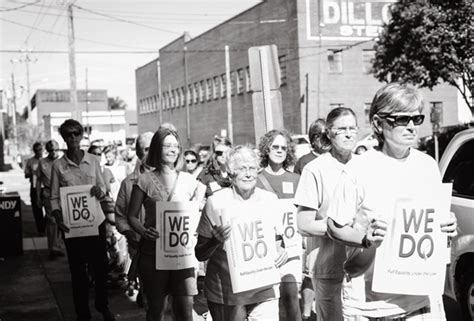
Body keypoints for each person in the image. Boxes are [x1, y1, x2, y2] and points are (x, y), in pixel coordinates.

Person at [327, 83, 457, 320]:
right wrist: (365, 239)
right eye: (401, 119)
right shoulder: (358, 169)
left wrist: (447, 224)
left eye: (416, 119)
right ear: (378, 123)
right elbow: (334, 226)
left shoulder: (427, 165)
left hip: (420, 300)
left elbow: (431, 220)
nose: (410, 126)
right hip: (370, 305)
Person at [195, 145, 287, 321]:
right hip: (227, 291)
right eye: (242, 168)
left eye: (252, 168)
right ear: (230, 172)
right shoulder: (216, 203)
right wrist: (215, 240)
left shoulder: (270, 200)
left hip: (264, 288)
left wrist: (281, 251)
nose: (248, 174)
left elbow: (278, 240)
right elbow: (200, 253)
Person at [128, 127, 198, 321]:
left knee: (185, 310)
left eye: (176, 146)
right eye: (167, 145)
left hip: (182, 256)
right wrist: (143, 231)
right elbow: (131, 216)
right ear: (158, 148)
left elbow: (199, 211)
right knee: (156, 310)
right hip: (153, 255)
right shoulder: (144, 180)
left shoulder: (189, 180)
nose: (173, 150)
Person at [295, 107, 358, 321]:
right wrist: (344, 226)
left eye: (352, 128)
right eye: (342, 129)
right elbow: (304, 224)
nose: (349, 134)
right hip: (329, 268)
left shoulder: (366, 166)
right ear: (329, 133)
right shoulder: (315, 170)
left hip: (362, 268)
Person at [50, 119, 115, 321]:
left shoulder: (94, 161)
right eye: (68, 134)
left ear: (81, 135)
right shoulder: (58, 166)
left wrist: (99, 190)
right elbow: (53, 197)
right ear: (63, 137)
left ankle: (102, 305)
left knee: (101, 268)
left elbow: (104, 190)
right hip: (73, 226)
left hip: (95, 224)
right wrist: (58, 216)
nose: (72, 138)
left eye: (76, 133)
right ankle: (82, 313)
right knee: (78, 272)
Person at [256, 129, 302, 321]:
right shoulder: (256, 180)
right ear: (267, 149)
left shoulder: (297, 180)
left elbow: (302, 214)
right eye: (275, 146)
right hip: (266, 251)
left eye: (284, 147)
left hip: (292, 251)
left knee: (292, 298)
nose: (280, 151)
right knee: (269, 302)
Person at [115, 131, 153, 306]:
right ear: (138, 153)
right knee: (150, 293)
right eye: (146, 149)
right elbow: (120, 216)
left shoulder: (174, 180)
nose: (151, 153)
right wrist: (130, 234)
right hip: (139, 246)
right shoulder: (128, 183)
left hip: (167, 246)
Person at [36, 140, 64, 259]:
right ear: (47, 151)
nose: (54, 152)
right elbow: (38, 180)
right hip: (48, 193)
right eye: (51, 150)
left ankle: (59, 246)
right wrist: (38, 196)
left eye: (56, 150)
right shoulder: (42, 163)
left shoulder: (63, 161)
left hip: (62, 192)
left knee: (62, 220)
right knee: (51, 221)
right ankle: (53, 248)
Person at [196, 136, 232, 205]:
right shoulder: (206, 174)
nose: (223, 156)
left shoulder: (236, 173)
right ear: (215, 154)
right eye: (219, 153)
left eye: (226, 152)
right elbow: (198, 203)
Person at [25, 142, 45, 236]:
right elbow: (26, 174)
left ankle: (47, 227)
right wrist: (32, 172)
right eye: (37, 150)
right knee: (37, 210)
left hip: (45, 187)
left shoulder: (46, 160)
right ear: (34, 151)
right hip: (34, 187)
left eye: (40, 149)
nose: (39, 152)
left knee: (50, 210)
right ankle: (41, 230)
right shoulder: (30, 161)